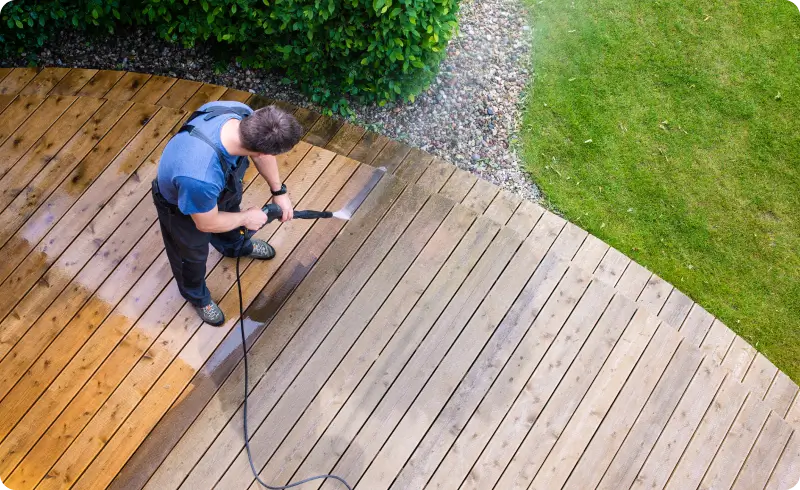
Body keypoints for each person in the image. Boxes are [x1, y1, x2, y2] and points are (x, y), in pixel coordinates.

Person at [151, 100, 303, 326]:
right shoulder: (200, 176)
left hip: (220, 189)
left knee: (232, 217)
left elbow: (261, 155)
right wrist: (246, 218)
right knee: (191, 257)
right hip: (183, 208)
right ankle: (197, 296)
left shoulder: (242, 114)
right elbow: (206, 223)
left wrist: (278, 191)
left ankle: (235, 247)